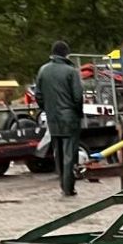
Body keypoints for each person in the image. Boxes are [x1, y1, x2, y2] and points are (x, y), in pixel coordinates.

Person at [35, 41, 84, 196]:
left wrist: (47, 109)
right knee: (70, 154)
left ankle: (63, 185)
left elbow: (38, 95)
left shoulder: (43, 70)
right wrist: (78, 113)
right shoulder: (71, 71)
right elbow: (77, 97)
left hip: (53, 117)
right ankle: (69, 188)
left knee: (59, 154)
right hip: (69, 118)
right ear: (66, 54)